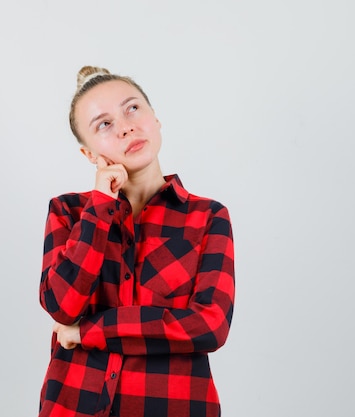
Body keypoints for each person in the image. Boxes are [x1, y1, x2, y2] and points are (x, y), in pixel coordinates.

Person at [38, 66, 235, 417]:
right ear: (88, 154)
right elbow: (61, 305)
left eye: (132, 108)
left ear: (155, 119)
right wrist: (100, 207)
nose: (126, 126)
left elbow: (209, 326)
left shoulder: (208, 217)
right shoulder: (68, 212)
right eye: (104, 124)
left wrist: (87, 331)